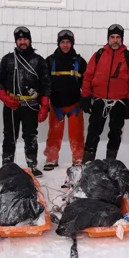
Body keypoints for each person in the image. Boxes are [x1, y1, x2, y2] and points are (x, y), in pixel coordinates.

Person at [0, 26, 51, 177]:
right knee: (9, 136)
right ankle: (7, 166)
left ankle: (32, 165)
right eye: (19, 39)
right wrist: (4, 97)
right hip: (11, 104)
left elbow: (46, 84)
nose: (22, 42)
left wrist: (44, 105)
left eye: (25, 39)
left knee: (31, 136)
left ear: (30, 40)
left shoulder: (39, 61)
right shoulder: (8, 59)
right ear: (16, 41)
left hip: (31, 106)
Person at [80, 24, 129, 162]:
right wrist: (85, 96)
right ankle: (87, 162)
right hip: (99, 100)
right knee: (93, 132)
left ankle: (110, 163)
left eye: (118, 37)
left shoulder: (128, 57)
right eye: (112, 37)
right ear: (108, 39)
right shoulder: (99, 55)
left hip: (119, 102)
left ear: (122, 39)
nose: (115, 40)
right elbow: (88, 76)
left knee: (115, 133)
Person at [43, 29, 88, 170]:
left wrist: (86, 99)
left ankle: (78, 158)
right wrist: (44, 101)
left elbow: (86, 82)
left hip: (75, 104)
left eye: (68, 42)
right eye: (63, 42)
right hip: (56, 105)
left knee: (77, 134)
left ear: (72, 43)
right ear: (59, 43)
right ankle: (51, 158)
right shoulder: (50, 61)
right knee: (54, 133)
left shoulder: (80, 62)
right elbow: (44, 83)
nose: (65, 45)